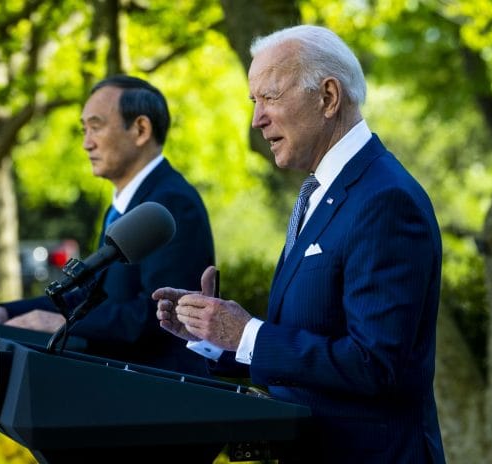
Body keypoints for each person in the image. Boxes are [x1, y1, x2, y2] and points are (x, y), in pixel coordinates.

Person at [152, 25, 446, 463]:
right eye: (254, 102)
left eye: (269, 97)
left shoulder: (385, 200)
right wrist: (216, 336)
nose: (256, 119)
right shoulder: (321, 191)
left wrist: (247, 333)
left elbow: (375, 364)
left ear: (328, 97)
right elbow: (309, 342)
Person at [0, 75, 215, 378]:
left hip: (161, 389)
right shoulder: (122, 206)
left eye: (96, 127)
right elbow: (90, 299)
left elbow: (159, 316)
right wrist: (5, 312)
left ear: (141, 129)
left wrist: (66, 324)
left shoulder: (170, 204)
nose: (87, 143)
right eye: (83, 129)